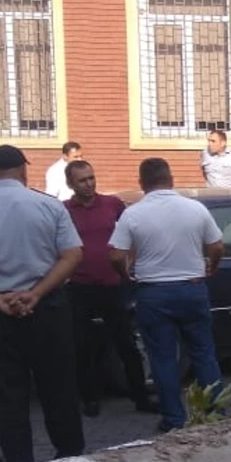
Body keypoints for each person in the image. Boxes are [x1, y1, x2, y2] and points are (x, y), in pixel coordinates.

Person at [109, 158, 225, 432]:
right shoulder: (195, 208)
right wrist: (212, 266)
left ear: (142, 183)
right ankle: (216, 414)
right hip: (192, 288)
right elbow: (217, 246)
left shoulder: (133, 214)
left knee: (162, 359)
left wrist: (125, 273)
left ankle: (174, 419)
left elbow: (115, 254)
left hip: (154, 293)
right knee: (203, 353)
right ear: (170, 179)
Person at [0, 144, 85, 462]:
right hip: (47, 308)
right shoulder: (48, 205)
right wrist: (35, 294)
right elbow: (72, 255)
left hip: (0, 313)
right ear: (23, 170)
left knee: (8, 396)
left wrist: (0, 300)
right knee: (59, 388)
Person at [64, 160, 158, 417]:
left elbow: (134, 233)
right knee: (82, 347)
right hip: (79, 286)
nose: (89, 184)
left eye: (92, 178)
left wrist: (130, 263)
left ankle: (140, 396)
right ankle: (89, 398)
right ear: (70, 183)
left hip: (112, 284)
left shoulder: (112, 204)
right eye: (83, 180)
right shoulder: (63, 210)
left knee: (125, 344)